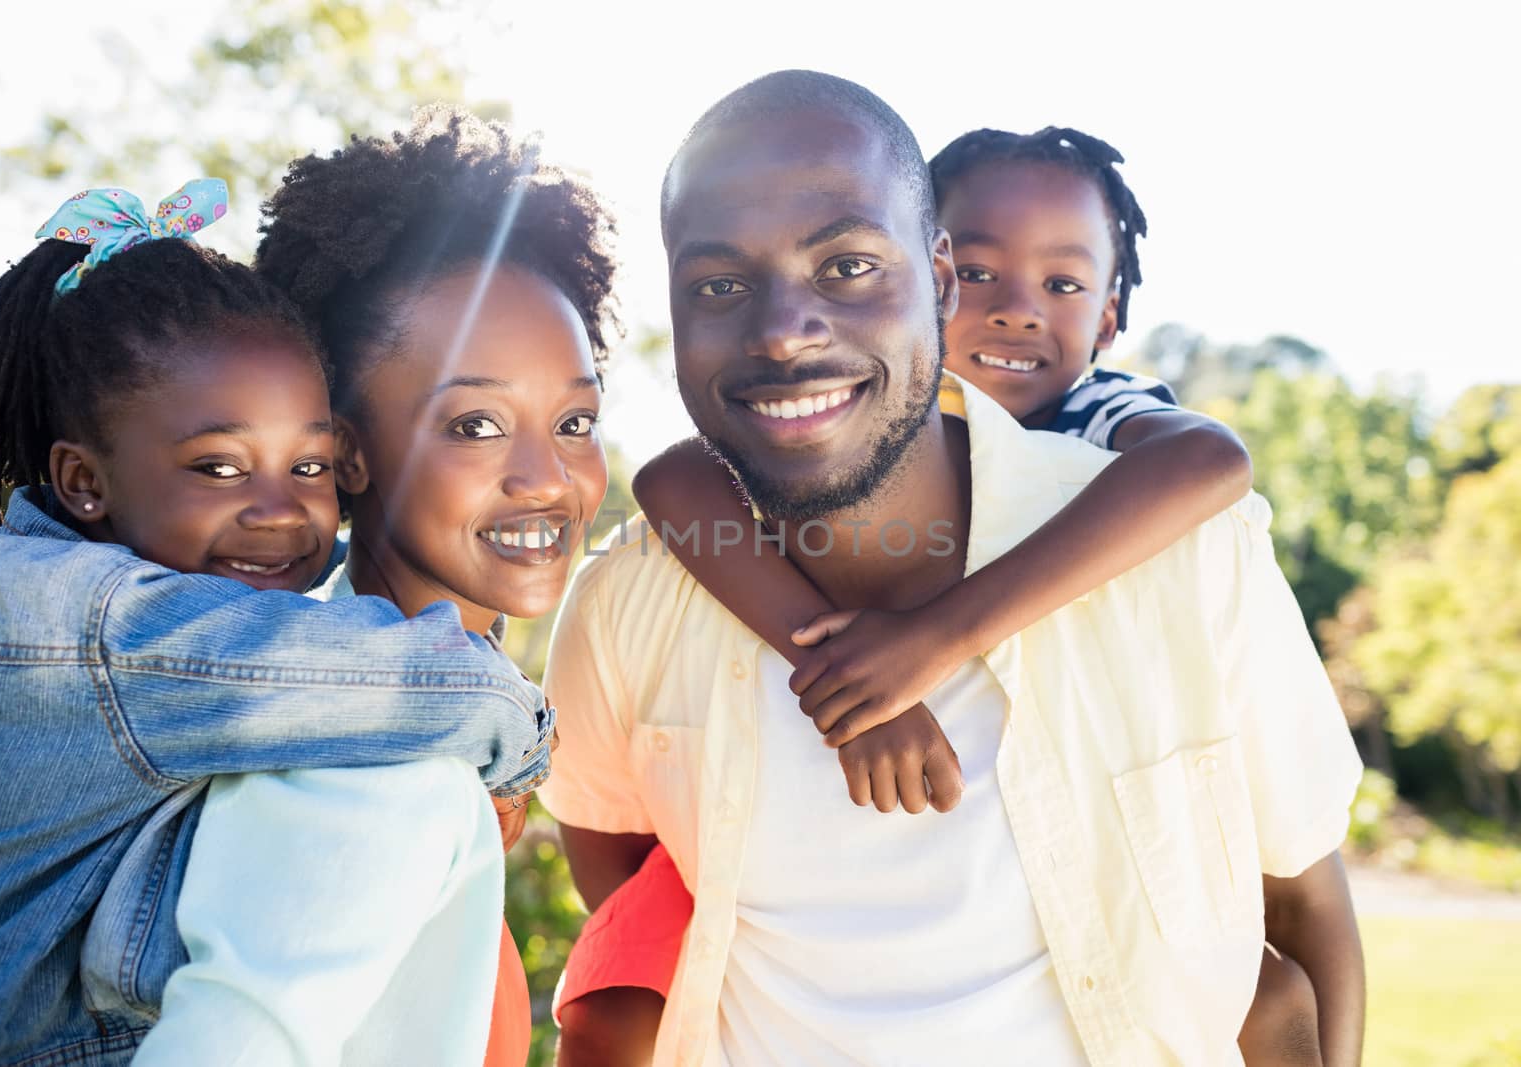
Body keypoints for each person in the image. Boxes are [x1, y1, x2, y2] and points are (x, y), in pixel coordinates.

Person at [541, 70, 1365, 1066]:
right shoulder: (632, 599)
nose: (779, 331)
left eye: (846, 266)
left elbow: (1300, 898)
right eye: (719, 285)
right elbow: (628, 872)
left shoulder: (1188, 554)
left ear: (934, 284)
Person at [0, 181, 552, 1066]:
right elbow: (368, 674)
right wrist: (518, 733)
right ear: (83, 481)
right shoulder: (99, 631)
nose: (280, 511)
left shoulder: (166, 604)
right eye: (218, 466)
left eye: (309, 464)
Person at [114, 107, 617, 1066]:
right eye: (475, 424)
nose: (549, 477)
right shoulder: (378, 762)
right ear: (345, 450)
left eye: (576, 419)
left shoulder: (383, 715)